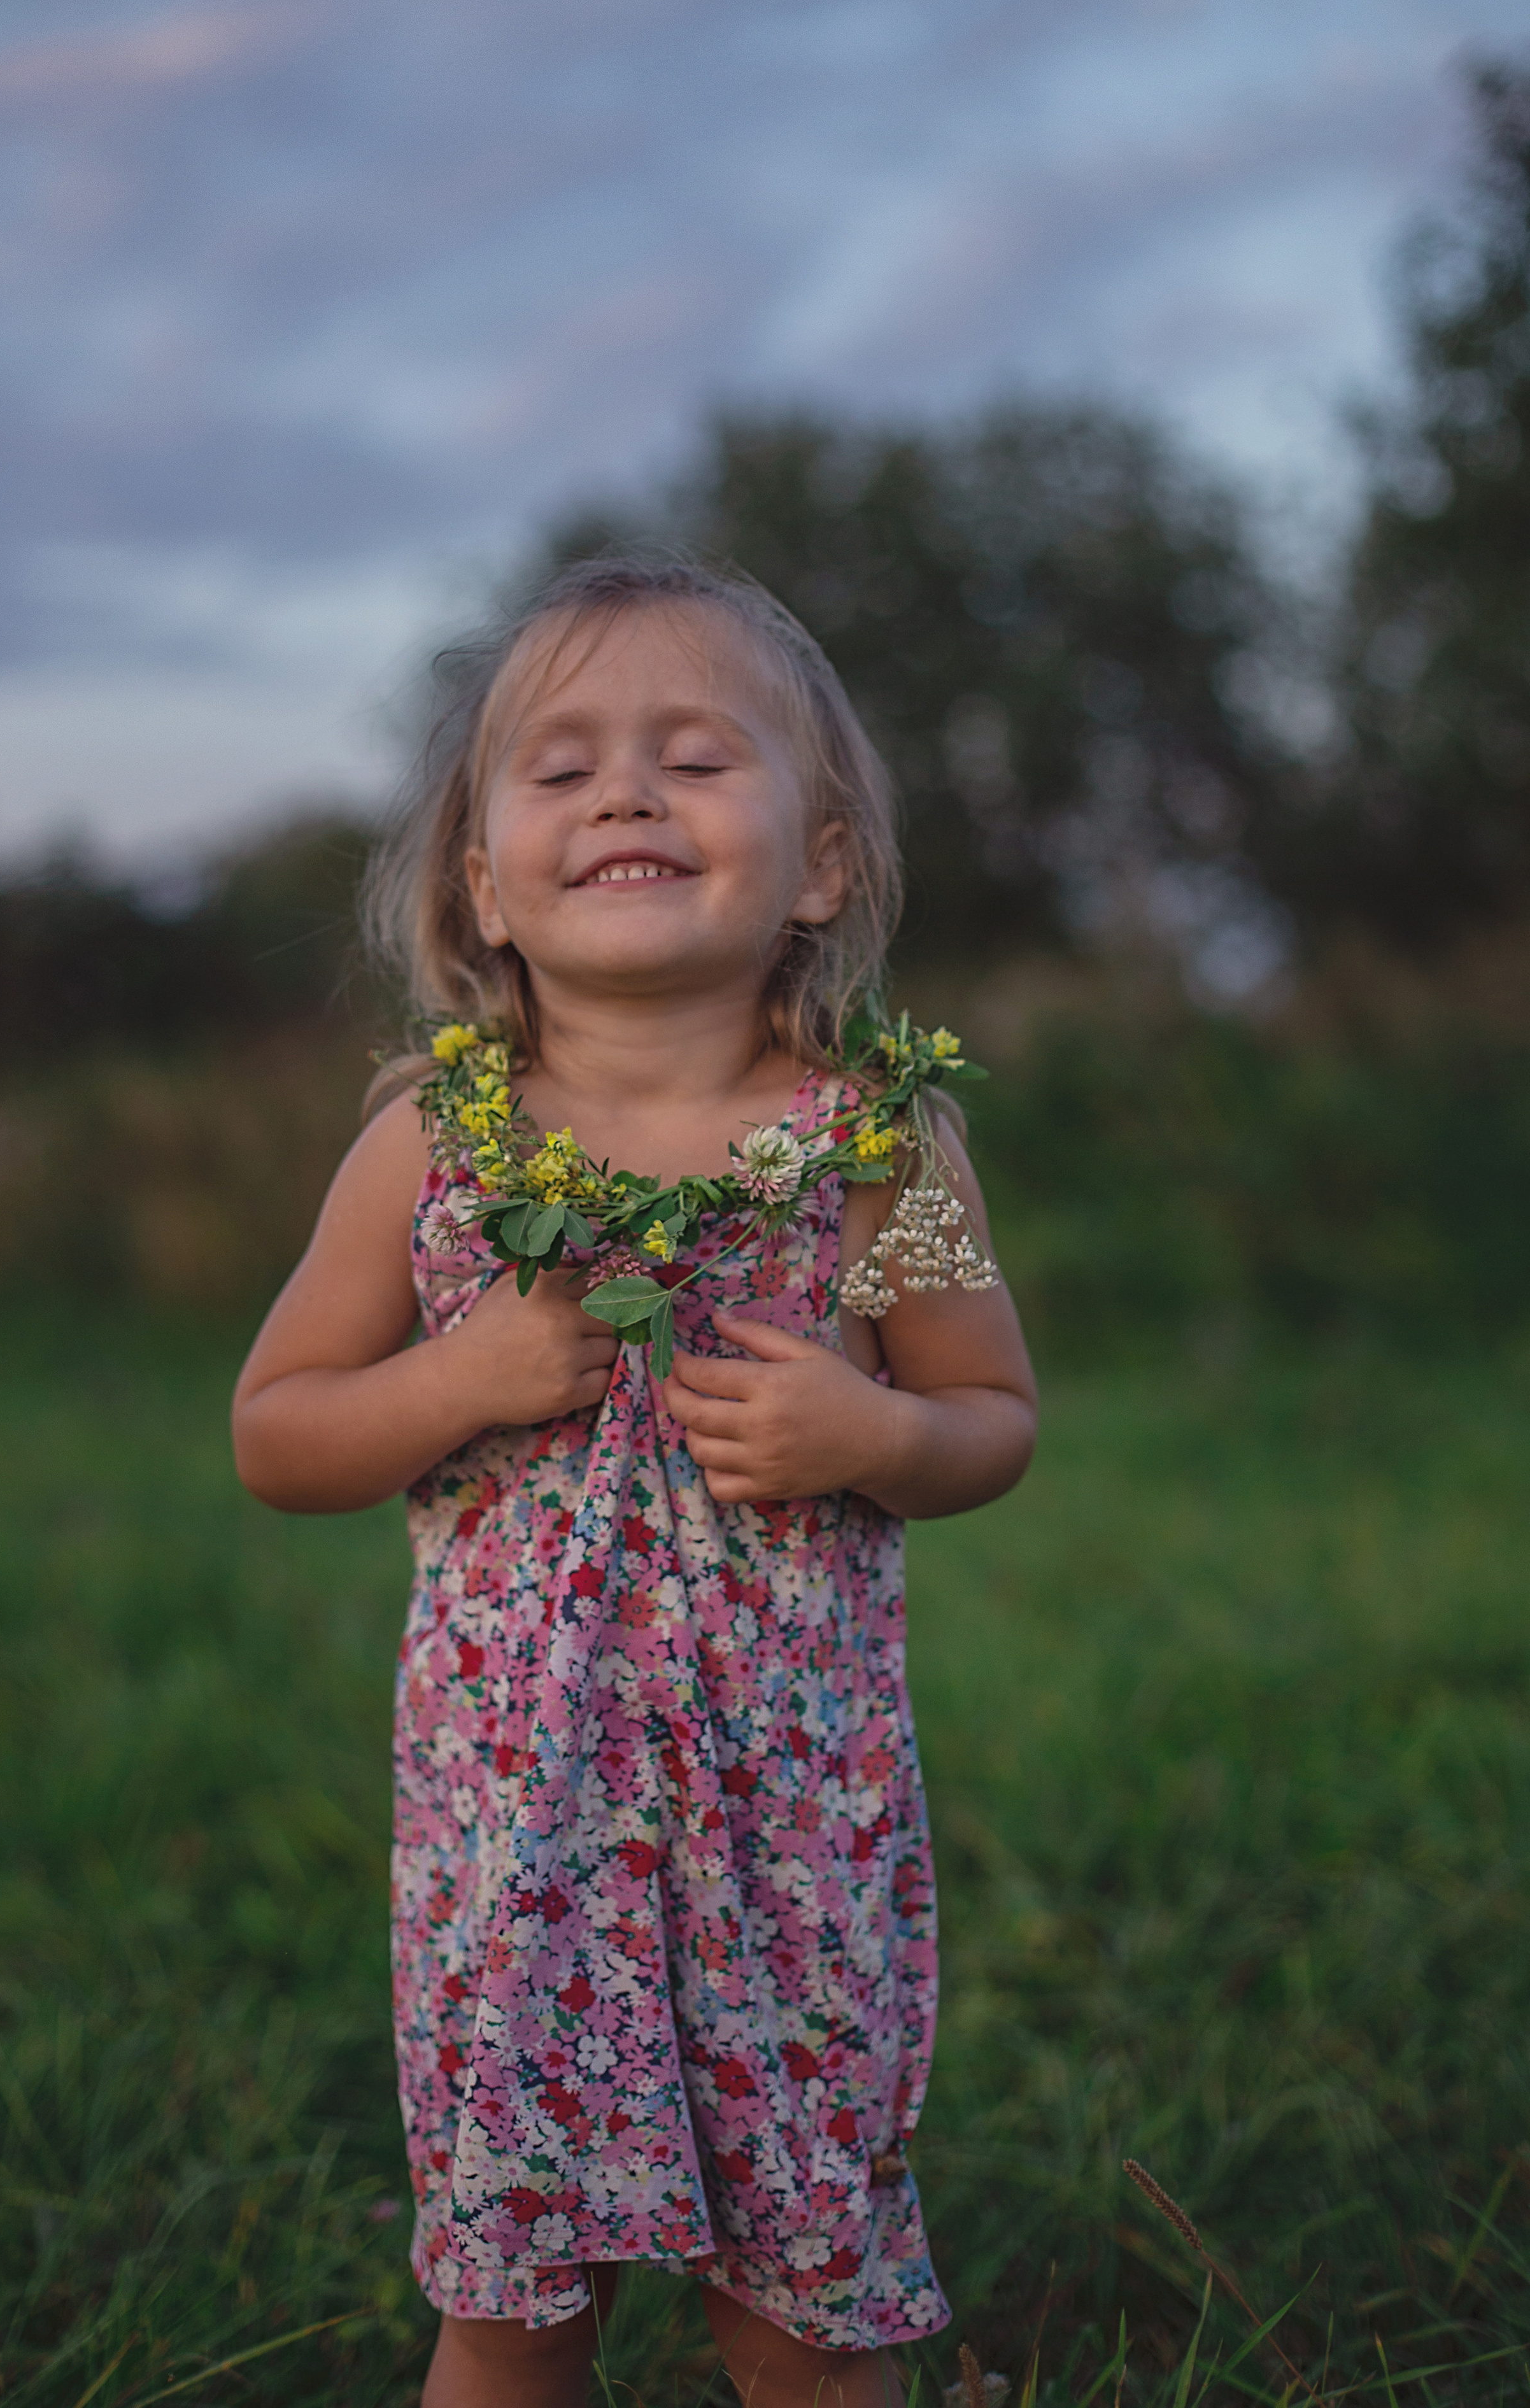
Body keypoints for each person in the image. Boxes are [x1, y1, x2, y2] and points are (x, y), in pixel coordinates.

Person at [232, 557, 1038, 2408]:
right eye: (566, 767)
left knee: (809, 2312)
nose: (627, 797)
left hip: (794, 1845)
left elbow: (991, 1411)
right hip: (521, 1859)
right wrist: (463, 1376)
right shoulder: (428, 1152)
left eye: (694, 757)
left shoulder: (878, 1154)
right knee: (517, 2314)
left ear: (821, 866)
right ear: (482, 885)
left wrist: (881, 1441)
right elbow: (278, 1432)